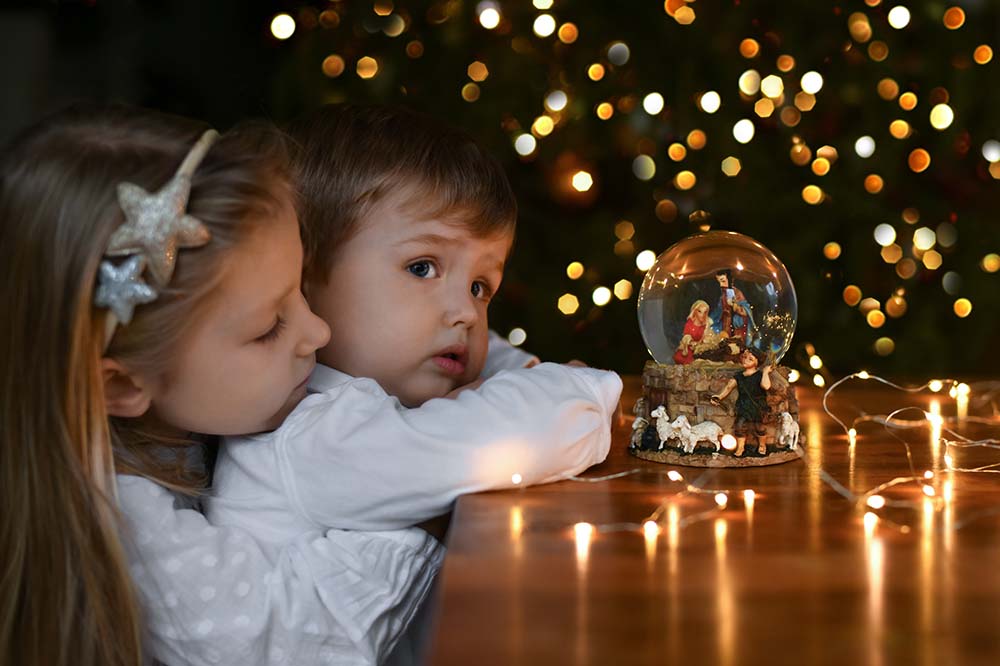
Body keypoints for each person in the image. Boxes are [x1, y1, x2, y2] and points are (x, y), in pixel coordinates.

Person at [1, 104, 605, 666]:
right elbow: (278, 643)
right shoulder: (125, 510)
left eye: (300, 289)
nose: (317, 330)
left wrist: (510, 374)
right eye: (270, 326)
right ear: (123, 384)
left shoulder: (205, 406)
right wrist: (415, 515)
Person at [206, 105, 621, 611]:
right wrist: (581, 393)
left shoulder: (373, 392)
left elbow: (503, 366)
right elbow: (533, 429)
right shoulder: (305, 434)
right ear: (303, 278)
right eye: (422, 267)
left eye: (480, 286)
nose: (466, 311)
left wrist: (523, 380)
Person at [710, 348, 772, 456]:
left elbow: (766, 386)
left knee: (760, 427)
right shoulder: (739, 376)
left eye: (750, 359)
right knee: (739, 426)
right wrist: (719, 397)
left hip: (758, 406)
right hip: (744, 405)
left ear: (757, 362)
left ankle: (762, 445)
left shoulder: (759, 375)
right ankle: (740, 447)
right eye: (744, 357)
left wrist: (766, 372)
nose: (745, 360)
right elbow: (729, 387)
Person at [711, 269, 753, 344]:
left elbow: (746, 311)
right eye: (719, 282)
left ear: (730, 280)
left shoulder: (737, 293)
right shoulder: (723, 295)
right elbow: (719, 309)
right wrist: (711, 319)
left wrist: (735, 306)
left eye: (723, 281)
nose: (721, 285)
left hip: (737, 326)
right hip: (726, 324)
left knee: (737, 344)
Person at [673, 299, 712, 365]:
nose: (702, 315)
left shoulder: (706, 326)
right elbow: (686, 336)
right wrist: (691, 342)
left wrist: (704, 342)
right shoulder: (689, 324)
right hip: (689, 350)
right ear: (695, 311)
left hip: (700, 350)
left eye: (705, 312)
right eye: (700, 311)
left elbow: (707, 338)